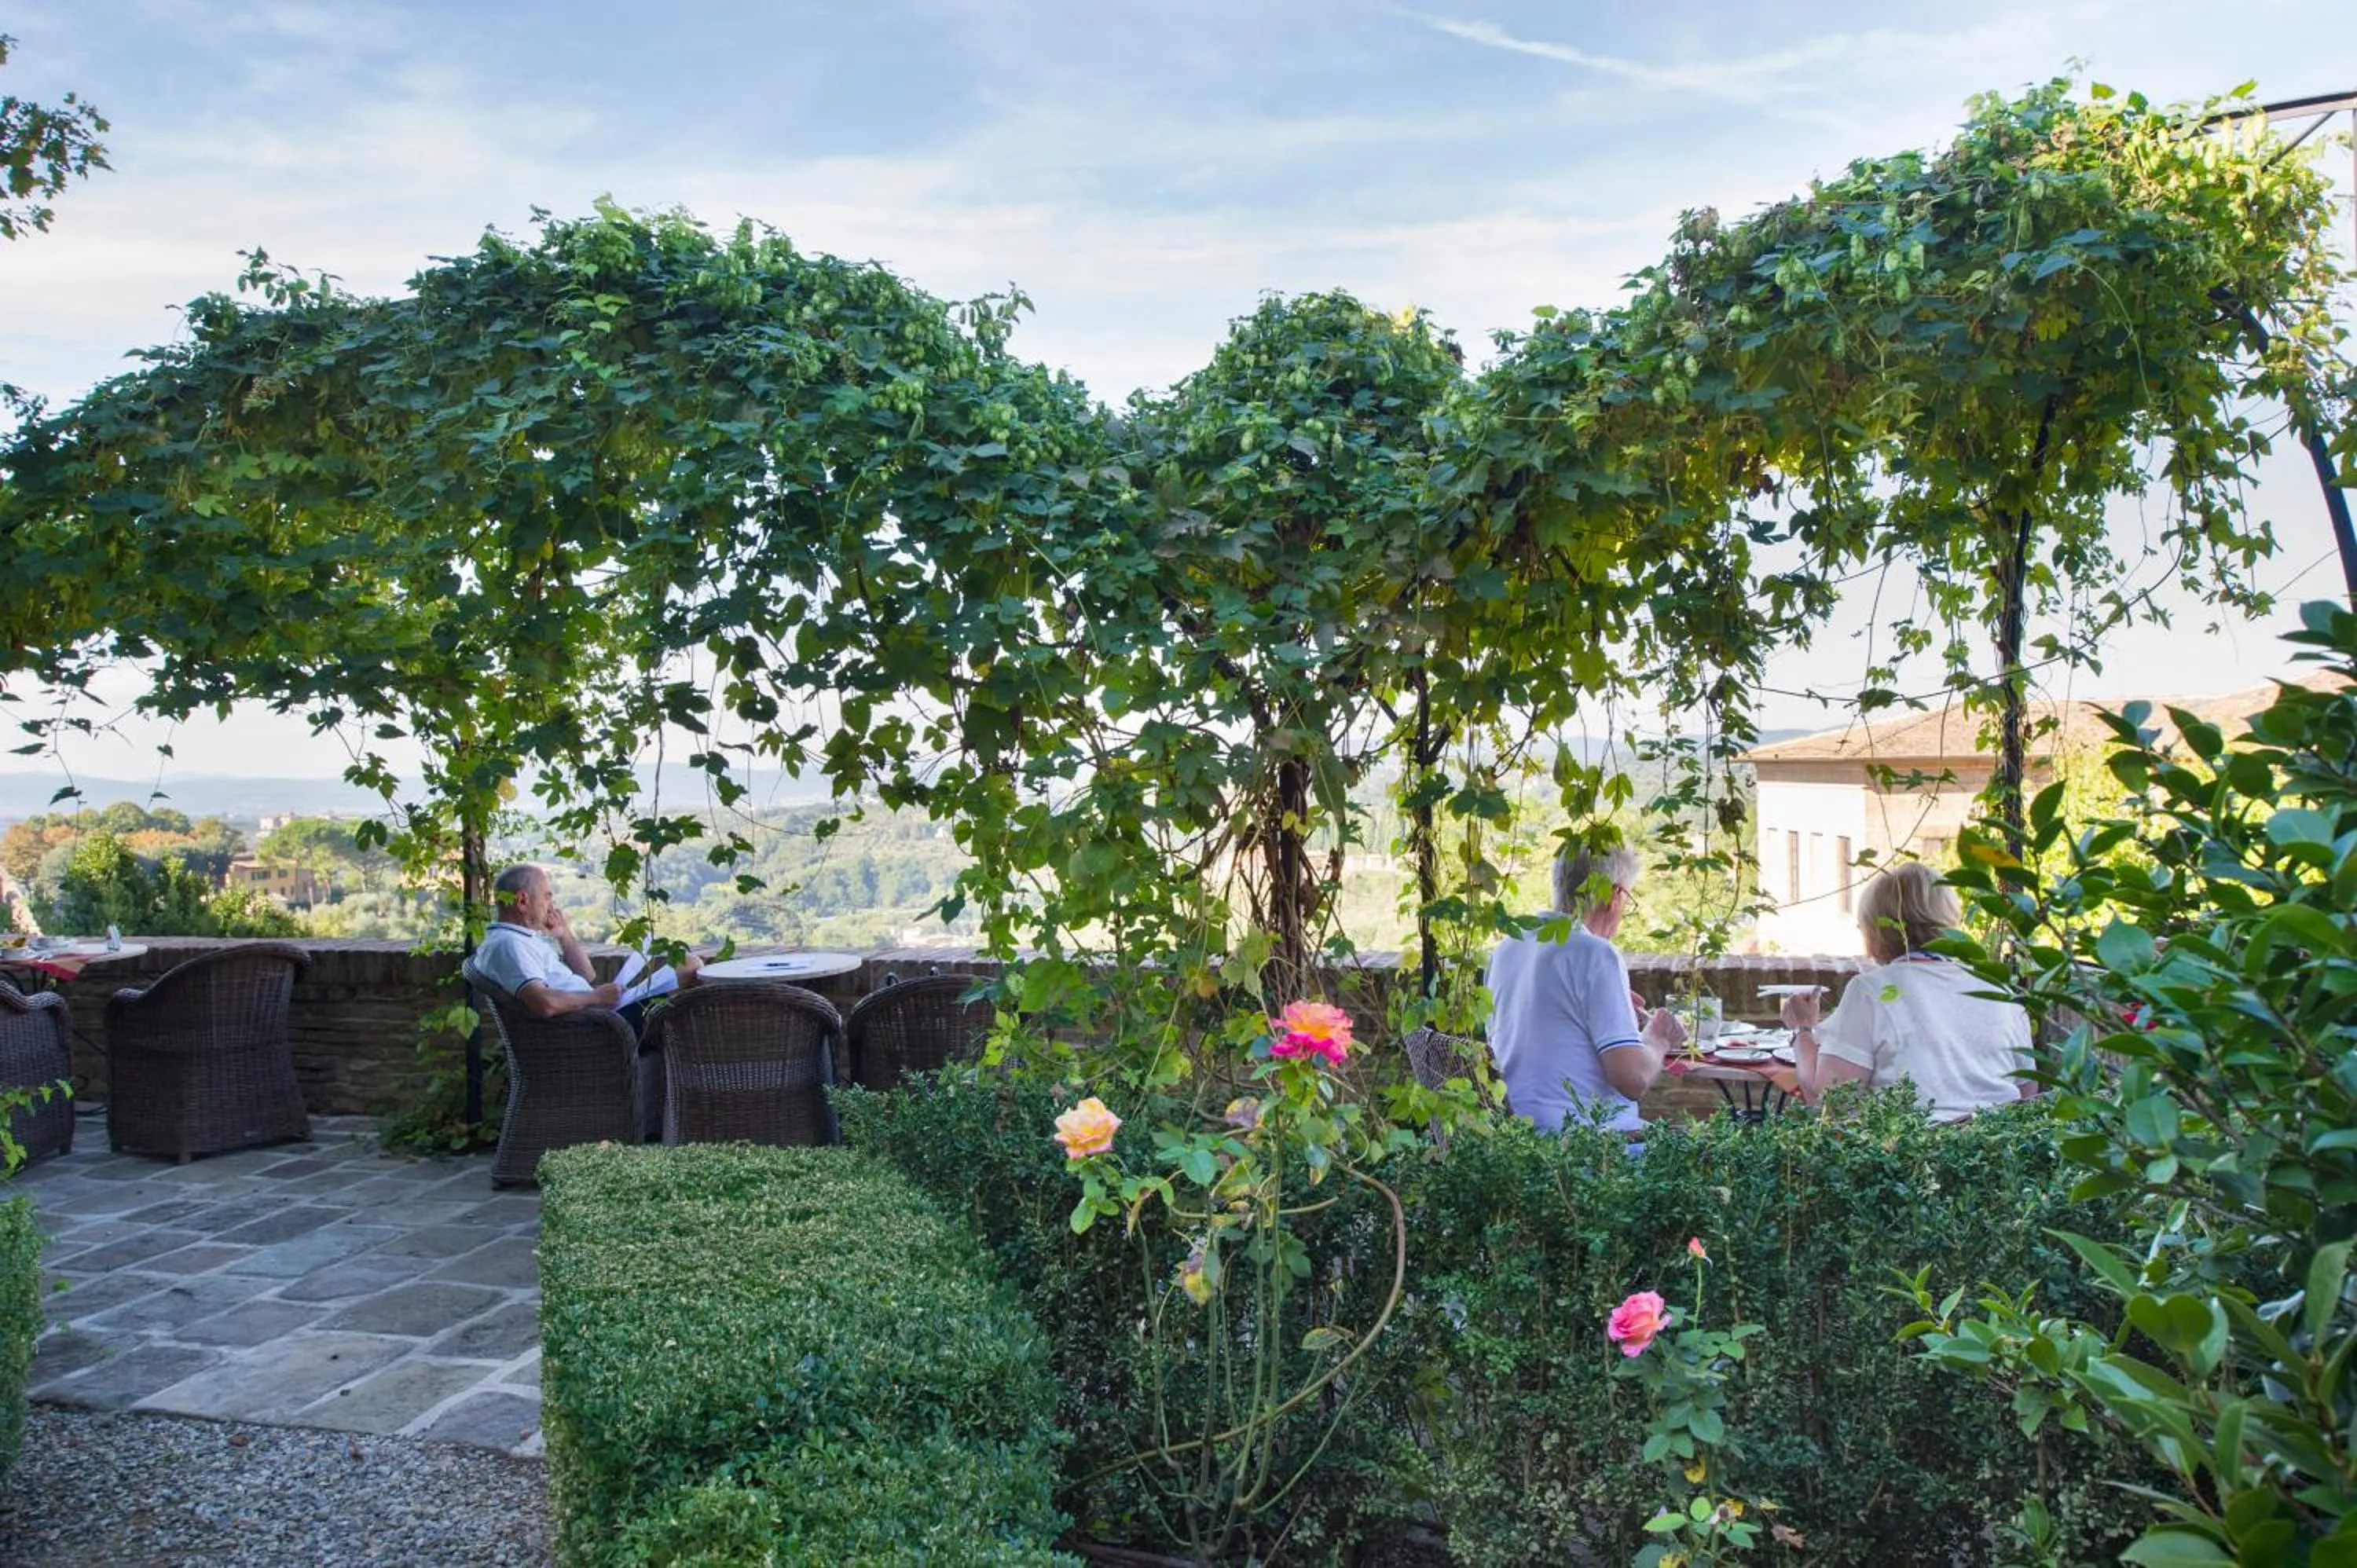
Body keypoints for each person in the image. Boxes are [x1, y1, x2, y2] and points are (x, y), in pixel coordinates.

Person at [1779, 861, 2033, 1119]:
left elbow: (1830, 1104)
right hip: (2000, 1149)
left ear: (1877, 930)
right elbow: (2028, 1097)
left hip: (1911, 1153)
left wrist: (1803, 1029)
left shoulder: (1871, 990)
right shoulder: (2000, 991)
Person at [1486, 841, 1688, 1135]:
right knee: (1705, 1147)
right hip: (1585, 1144)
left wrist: (1605, 1011)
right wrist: (1659, 1037)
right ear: (1614, 895)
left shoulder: (1508, 947)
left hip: (1519, 1137)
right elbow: (1632, 1080)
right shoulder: (1594, 953)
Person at [472, 863, 699, 1029]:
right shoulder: (509, 945)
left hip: (597, 1018)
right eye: (547, 897)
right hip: (598, 1030)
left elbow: (588, 975)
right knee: (690, 967)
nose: (551, 905)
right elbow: (544, 1003)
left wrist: (564, 936)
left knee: (687, 965)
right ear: (522, 901)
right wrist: (597, 998)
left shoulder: (518, 939)